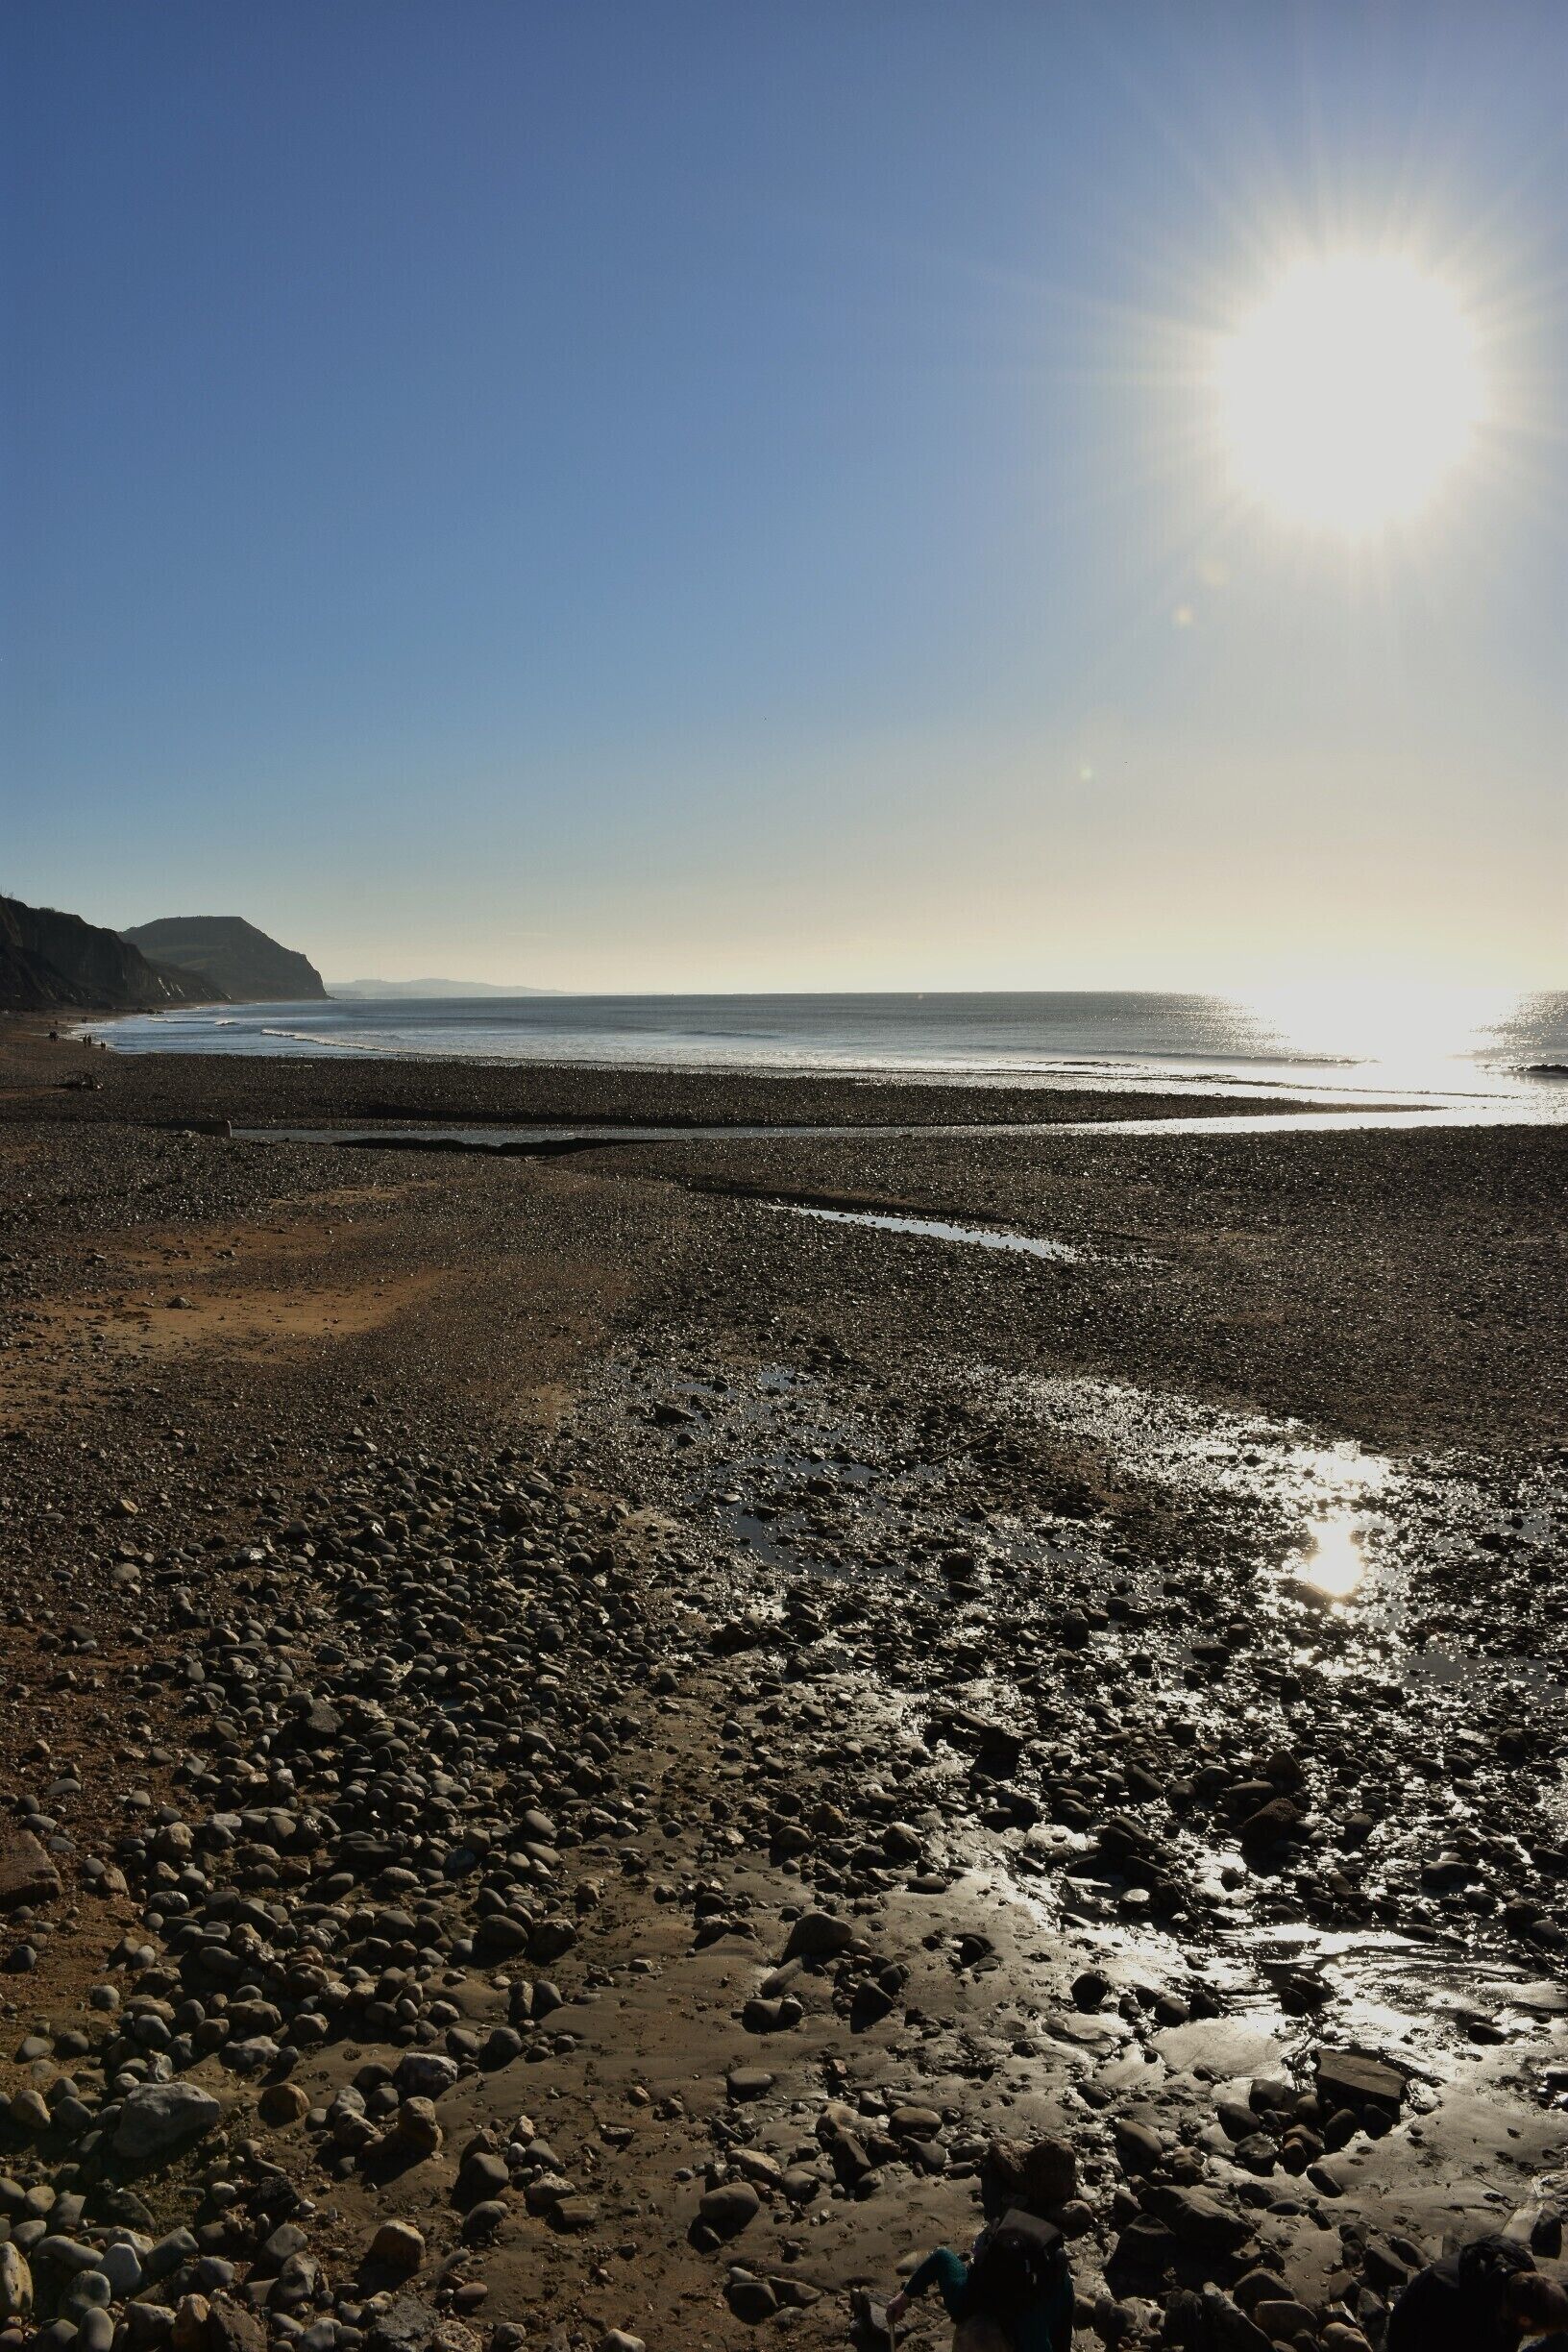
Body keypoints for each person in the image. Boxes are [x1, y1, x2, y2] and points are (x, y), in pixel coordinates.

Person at [885, 2209, 1073, 2352]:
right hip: (1000, 2269)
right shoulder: (962, 2301)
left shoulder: (1029, 2332)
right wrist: (904, 2298)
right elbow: (941, 2257)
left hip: (1053, 2282)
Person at [1386, 2236, 1568, 2352]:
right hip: (1413, 2334)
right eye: (1543, 2331)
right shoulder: (1459, 2314)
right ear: (1525, 2320)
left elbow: (1489, 2239)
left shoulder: (1519, 2261)